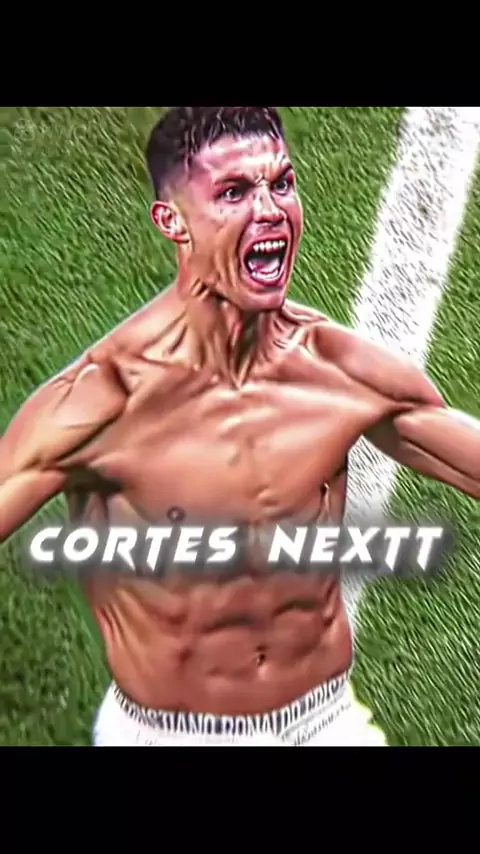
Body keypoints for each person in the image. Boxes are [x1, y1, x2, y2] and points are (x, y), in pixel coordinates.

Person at [1, 106, 479, 747]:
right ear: (172, 221)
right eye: (233, 192)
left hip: (323, 720)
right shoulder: (107, 400)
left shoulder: (339, 371)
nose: (270, 210)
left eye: (281, 183)